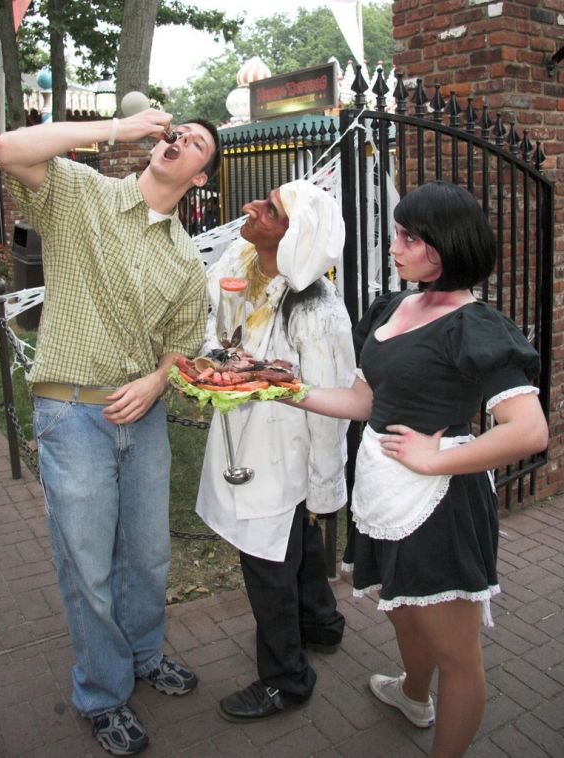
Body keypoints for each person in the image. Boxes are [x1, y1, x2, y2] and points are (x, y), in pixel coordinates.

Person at [291, 181, 549, 757]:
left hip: (440, 505)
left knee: (457, 656)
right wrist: (284, 390)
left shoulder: (475, 326)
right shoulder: (392, 307)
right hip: (383, 491)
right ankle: (412, 695)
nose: (394, 246)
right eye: (397, 233)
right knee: (404, 610)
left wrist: (438, 457)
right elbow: (364, 403)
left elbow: (529, 430)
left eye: (408, 236)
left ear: (444, 244)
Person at [0, 110, 221, 756]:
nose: (180, 140)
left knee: (147, 557)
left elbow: (181, 346)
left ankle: (144, 654)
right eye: (178, 132)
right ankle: (101, 692)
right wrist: (119, 127)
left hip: (142, 418)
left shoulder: (185, 258)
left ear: (200, 176)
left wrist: (156, 382)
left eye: (197, 144)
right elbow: (10, 149)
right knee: (87, 564)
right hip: (72, 414)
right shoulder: (81, 195)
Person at [195, 180, 356, 722]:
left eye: (269, 210)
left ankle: (286, 679)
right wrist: (214, 361)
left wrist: (324, 489)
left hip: (281, 456)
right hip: (247, 440)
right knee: (297, 540)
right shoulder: (241, 260)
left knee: (267, 559)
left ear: (295, 238)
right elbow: (216, 323)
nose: (250, 208)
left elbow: (331, 410)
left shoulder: (317, 313)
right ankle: (320, 624)